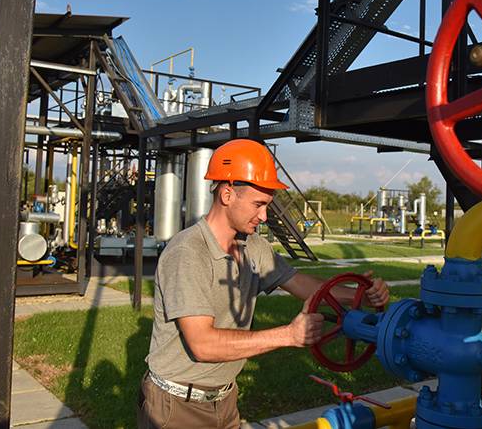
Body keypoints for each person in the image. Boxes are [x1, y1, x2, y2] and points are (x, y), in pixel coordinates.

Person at [139, 139, 390, 428]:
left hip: (225, 400)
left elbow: (300, 283)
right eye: (258, 204)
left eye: (267, 205)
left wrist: (361, 296)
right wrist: (289, 335)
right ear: (227, 194)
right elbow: (202, 344)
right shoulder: (188, 252)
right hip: (177, 406)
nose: (264, 216)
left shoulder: (254, 247)